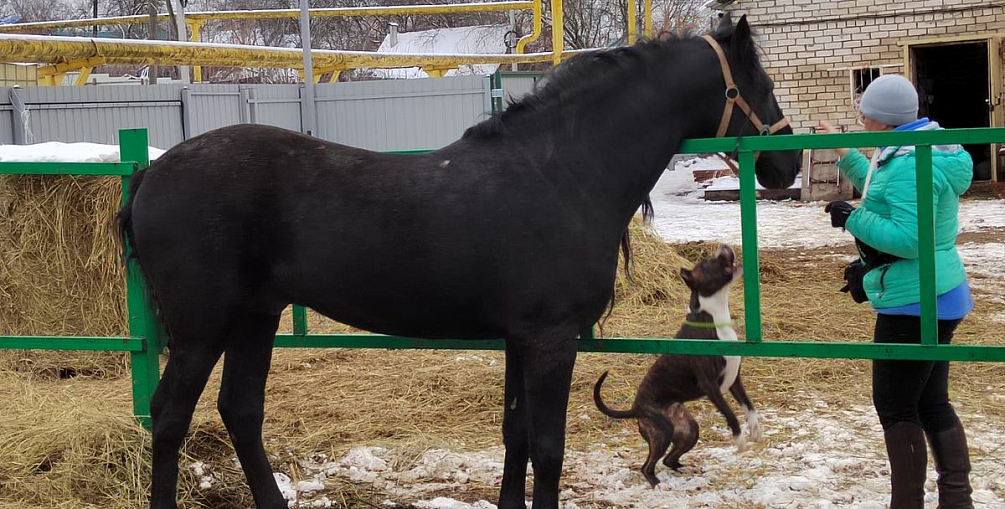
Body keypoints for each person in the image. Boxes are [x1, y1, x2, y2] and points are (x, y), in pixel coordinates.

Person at [817, 74, 975, 509]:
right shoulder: (917, 148)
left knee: (895, 406)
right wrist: (846, 153)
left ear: (882, 118)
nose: (860, 117)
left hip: (916, 299)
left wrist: (851, 218)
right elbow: (883, 189)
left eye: (863, 111)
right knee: (930, 402)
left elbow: (909, 238)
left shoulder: (908, 162)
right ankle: (957, 500)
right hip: (937, 291)